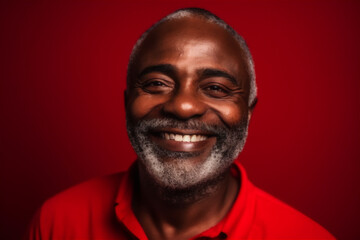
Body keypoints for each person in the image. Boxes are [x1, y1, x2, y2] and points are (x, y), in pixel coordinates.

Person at [25, 8, 335, 240]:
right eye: (157, 83)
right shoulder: (57, 223)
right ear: (126, 104)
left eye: (216, 88)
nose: (183, 107)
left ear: (248, 113)